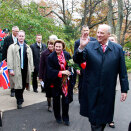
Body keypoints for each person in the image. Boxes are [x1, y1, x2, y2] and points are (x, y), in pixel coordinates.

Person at [73, 24, 129, 131]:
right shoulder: (89, 46)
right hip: (91, 89)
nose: (98, 35)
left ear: (108, 35)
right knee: (94, 121)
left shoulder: (117, 49)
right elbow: (78, 60)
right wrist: (81, 47)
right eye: (98, 32)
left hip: (108, 91)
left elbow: (123, 71)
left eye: (101, 33)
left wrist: (124, 89)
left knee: (103, 119)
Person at [47, 39, 74, 126]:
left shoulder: (67, 55)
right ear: (54, 47)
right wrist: (61, 72)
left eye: (59, 46)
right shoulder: (51, 57)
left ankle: (66, 118)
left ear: (63, 47)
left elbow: (71, 65)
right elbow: (49, 71)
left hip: (66, 82)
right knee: (56, 101)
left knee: (66, 101)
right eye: (56, 46)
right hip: (55, 82)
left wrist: (69, 71)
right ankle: (58, 117)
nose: (58, 48)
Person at [7, 30, 34, 109]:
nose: (21, 37)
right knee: (17, 85)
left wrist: (31, 69)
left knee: (23, 84)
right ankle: (19, 100)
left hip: (25, 69)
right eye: (20, 36)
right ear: (17, 37)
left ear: (24, 37)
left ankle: (20, 96)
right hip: (16, 69)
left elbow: (31, 59)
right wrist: (11, 69)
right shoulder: (12, 47)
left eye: (22, 36)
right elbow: (10, 58)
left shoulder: (28, 47)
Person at [74, 25, 96, 103]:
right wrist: (77, 68)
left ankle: (90, 100)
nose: (86, 32)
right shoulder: (77, 42)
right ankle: (81, 101)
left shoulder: (94, 40)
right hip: (81, 67)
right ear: (81, 31)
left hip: (91, 66)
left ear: (89, 31)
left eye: (87, 30)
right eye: (84, 30)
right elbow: (75, 57)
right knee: (81, 85)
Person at [2, 26, 19, 97]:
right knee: (11, 75)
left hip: (18, 59)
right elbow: (4, 50)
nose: (17, 33)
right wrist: (4, 60)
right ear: (12, 31)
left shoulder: (20, 38)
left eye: (18, 31)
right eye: (16, 31)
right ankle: (12, 90)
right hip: (10, 59)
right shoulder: (7, 39)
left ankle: (18, 88)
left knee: (18, 74)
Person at [39, 40, 54, 112]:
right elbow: (41, 66)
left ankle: (56, 103)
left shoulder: (57, 52)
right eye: (49, 44)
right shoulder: (44, 53)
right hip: (46, 75)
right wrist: (40, 77)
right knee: (48, 91)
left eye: (52, 44)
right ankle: (49, 105)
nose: (50, 46)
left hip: (55, 75)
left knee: (55, 90)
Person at [108, 34, 118, 128]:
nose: (111, 41)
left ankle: (110, 119)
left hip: (112, 81)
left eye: (112, 40)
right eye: (109, 40)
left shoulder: (118, 51)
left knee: (110, 101)